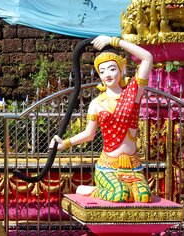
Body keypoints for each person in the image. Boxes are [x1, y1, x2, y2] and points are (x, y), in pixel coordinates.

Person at [50, 35, 153, 203]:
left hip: (133, 166)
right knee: (120, 195)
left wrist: (114, 41)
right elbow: (89, 135)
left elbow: (147, 57)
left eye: (112, 69)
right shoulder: (97, 103)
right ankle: (93, 190)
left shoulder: (133, 94)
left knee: (144, 197)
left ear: (122, 70)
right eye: (102, 71)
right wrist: (65, 143)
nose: (108, 75)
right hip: (108, 167)